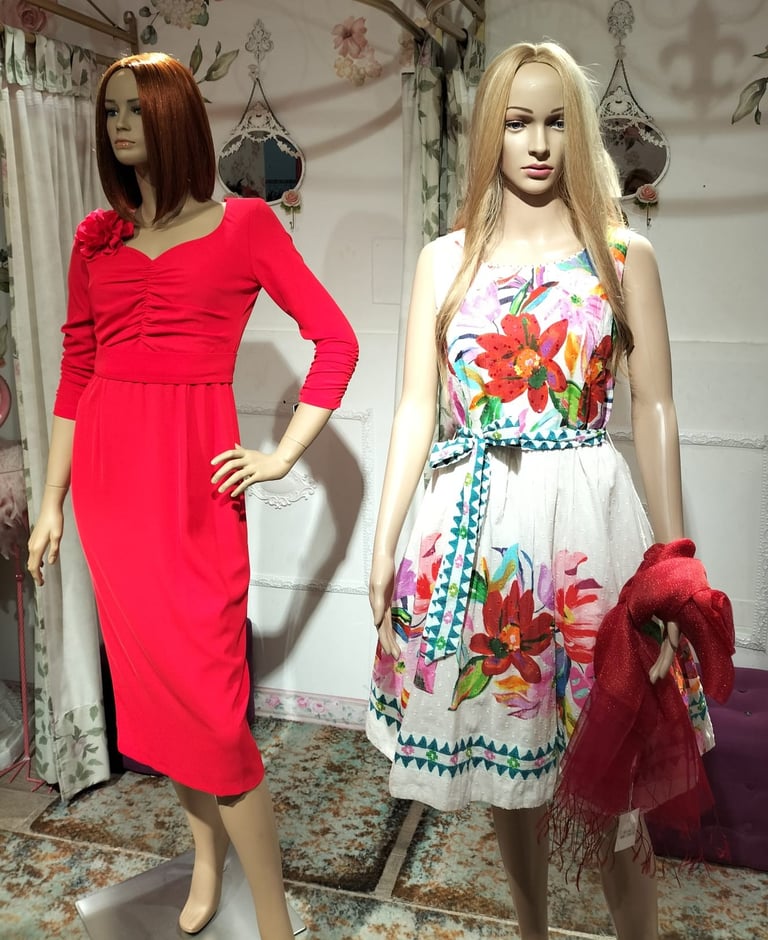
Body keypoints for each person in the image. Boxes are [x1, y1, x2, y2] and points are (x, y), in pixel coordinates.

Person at [366, 41, 713, 940]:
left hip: (588, 530)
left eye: (557, 122)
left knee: (615, 771)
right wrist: (384, 539)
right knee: (507, 765)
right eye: (518, 122)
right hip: (472, 536)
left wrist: (674, 568)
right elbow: (415, 408)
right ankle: (530, 928)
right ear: (491, 130)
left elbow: (658, 405)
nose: (538, 142)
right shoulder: (444, 261)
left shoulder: (622, 256)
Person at [27, 52, 358, 938]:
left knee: (213, 714)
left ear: (175, 117)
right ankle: (206, 864)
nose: (119, 126)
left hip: (191, 489)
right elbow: (78, 368)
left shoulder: (246, 225)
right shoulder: (97, 239)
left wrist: (284, 455)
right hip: (109, 490)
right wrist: (53, 499)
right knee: (159, 702)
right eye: (110, 112)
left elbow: (336, 340)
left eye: (136, 109)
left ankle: (275, 923)